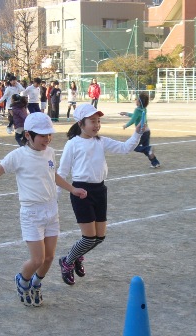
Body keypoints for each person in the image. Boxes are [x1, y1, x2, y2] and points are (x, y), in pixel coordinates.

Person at [0, 112, 87, 307]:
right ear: (28, 135)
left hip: (51, 210)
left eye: (49, 134)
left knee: (48, 258)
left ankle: (36, 283)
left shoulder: (49, 152)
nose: (47, 139)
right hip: (31, 213)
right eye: (42, 135)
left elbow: (52, 175)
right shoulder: (18, 156)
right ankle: (22, 281)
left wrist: (72, 189)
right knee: (37, 259)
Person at [57, 103, 143, 286]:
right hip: (81, 192)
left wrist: (137, 133)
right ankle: (67, 261)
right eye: (92, 121)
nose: (96, 125)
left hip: (99, 190)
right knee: (89, 237)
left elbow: (125, 148)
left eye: (98, 121)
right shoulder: (72, 144)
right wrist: (55, 198)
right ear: (81, 123)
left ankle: (76, 256)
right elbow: (61, 173)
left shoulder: (101, 141)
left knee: (100, 237)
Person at [120, 92, 161, 168]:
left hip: (141, 132)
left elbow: (133, 120)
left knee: (134, 147)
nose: (135, 100)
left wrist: (126, 125)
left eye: (137, 99)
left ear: (139, 102)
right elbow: (135, 116)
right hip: (147, 131)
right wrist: (126, 113)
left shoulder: (137, 110)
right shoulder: (144, 109)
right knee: (147, 151)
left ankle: (149, 149)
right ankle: (155, 163)